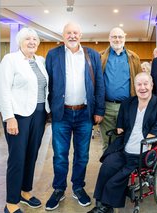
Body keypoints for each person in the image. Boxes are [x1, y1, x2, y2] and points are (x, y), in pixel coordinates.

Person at [88, 72, 157, 213]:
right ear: (134, 86)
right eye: (139, 84)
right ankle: (100, 204)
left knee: (117, 178)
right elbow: (121, 119)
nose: (142, 87)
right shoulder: (128, 102)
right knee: (107, 166)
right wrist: (120, 126)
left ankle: (106, 207)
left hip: (144, 151)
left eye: (146, 84)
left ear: (152, 85)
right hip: (125, 147)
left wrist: (149, 138)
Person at [45, 22, 105, 211]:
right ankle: (58, 189)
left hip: (84, 114)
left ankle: (78, 187)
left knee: (82, 156)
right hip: (61, 113)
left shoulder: (92, 55)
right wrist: (48, 111)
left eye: (75, 33)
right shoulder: (53, 55)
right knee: (60, 156)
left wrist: (99, 110)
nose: (72, 36)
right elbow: (48, 83)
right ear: (63, 35)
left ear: (81, 35)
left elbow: (100, 85)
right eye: (68, 33)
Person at [0, 27, 50, 213]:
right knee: (17, 158)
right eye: (28, 39)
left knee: (32, 155)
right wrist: (9, 117)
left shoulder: (40, 61)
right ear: (20, 41)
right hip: (18, 115)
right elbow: (3, 90)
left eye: (35, 39)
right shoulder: (10, 60)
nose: (32, 42)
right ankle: (11, 202)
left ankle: (25, 192)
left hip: (39, 114)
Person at [99, 27, 141, 151]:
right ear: (109, 39)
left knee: (127, 142)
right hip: (106, 108)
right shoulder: (100, 57)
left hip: (127, 107)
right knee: (108, 143)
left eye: (120, 37)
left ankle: (124, 170)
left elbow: (139, 82)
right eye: (114, 37)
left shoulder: (134, 58)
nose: (117, 39)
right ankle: (108, 169)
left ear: (124, 38)